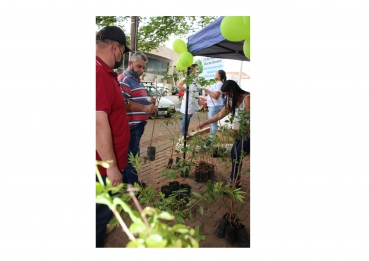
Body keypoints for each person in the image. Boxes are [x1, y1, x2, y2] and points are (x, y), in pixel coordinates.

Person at [96, 26, 132, 247]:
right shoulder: (98, 73)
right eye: (122, 52)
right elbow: (97, 122)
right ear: (115, 47)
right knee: (98, 219)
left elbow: (115, 107)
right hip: (102, 169)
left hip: (104, 165)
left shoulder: (105, 72)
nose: (121, 57)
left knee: (101, 216)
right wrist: (111, 166)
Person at [197, 80, 250, 187]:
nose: (226, 97)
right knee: (234, 154)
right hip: (241, 133)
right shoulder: (231, 100)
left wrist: (243, 130)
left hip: (249, 134)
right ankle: (237, 179)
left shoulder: (248, 99)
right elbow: (220, 115)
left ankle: (233, 181)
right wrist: (205, 122)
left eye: (226, 94)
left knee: (237, 153)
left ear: (232, 90)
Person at [118, 52, 158, 185]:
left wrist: (148, 100)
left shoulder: (136, 79)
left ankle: (126, 180)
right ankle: (133, 185)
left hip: (138, 125)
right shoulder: (124, 80)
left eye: (143, 68)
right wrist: (145, 109)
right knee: (133, 155)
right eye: (138, 66)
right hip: (131, 125)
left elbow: (136, 98)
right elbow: (123, 104)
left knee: (130, 153)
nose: (141, 70)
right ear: (130, 64)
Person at [177, 64, 200, 138]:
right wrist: (187, 90)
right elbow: (179, 85)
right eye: (196, 69)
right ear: (192, 69)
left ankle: (186, 132)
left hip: (193, 101)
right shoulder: (188, 77)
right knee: (186, 117)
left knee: (189, 117)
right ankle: (183, 134)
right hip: (188, 100)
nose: (197, 71)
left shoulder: (196, 79)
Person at [203, 70, 227, 139]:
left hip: (215, 106)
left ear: (218, 75)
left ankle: (211, 140)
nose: (214, 74)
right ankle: (211, 138)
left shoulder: (219, 84)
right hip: (213, 106)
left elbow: (216, 96)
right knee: (212, 123)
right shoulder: (217, 84)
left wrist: (207, 91)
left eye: (215, 73)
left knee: (213, 123)